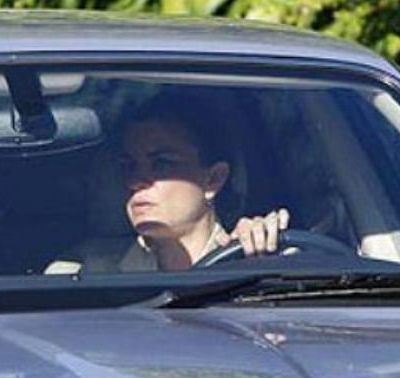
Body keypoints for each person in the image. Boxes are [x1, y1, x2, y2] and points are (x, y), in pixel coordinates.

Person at [47, 93, 289, 274]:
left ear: (213, 179)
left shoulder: (262, 261)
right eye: (128, 166)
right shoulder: (84, 273)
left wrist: (263, 253)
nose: (136, 181)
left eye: (162, 164)